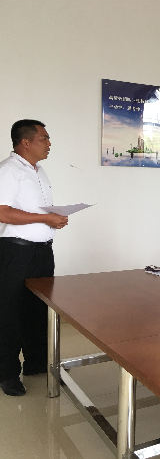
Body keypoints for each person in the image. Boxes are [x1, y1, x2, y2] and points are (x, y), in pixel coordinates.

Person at [0, 120, 69, 396]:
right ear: (25, 142)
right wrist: (44, 219)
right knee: (11, 312)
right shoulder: (9, 170)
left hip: (42, 251)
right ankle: (7, 373)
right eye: (44, 138)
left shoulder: (40, 171)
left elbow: (35, 211)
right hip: (16, 252)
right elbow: (2, 212)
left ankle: (37, 364)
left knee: (38, 309)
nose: (49, 143)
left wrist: (53, 219)